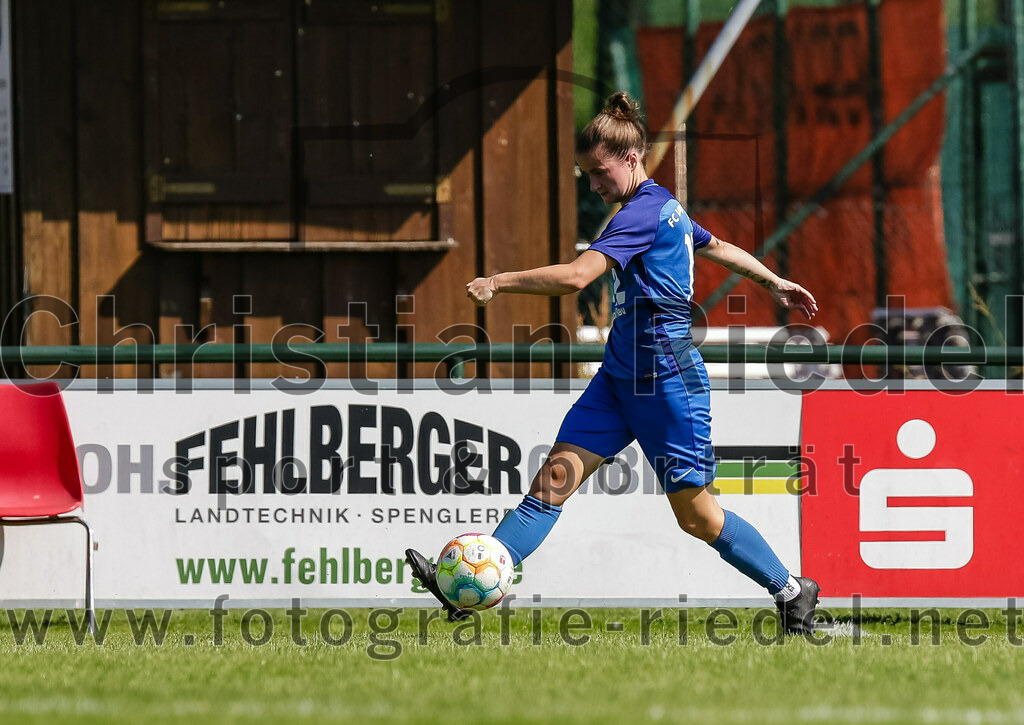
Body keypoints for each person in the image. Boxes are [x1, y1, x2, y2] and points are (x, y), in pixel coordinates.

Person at [406, 91, 820, 634]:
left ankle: (793, 592)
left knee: (697, 517)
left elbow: (579, 277)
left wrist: (499, 281)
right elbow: (712, 244)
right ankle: (464, 588)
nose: (595, 186)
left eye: (599, 173)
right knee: (553, 479)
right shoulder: (661, 206)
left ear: (631, 158)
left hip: (668, 382)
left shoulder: (643, 213)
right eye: (587, 176)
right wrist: (774, 281)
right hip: (618, 379)